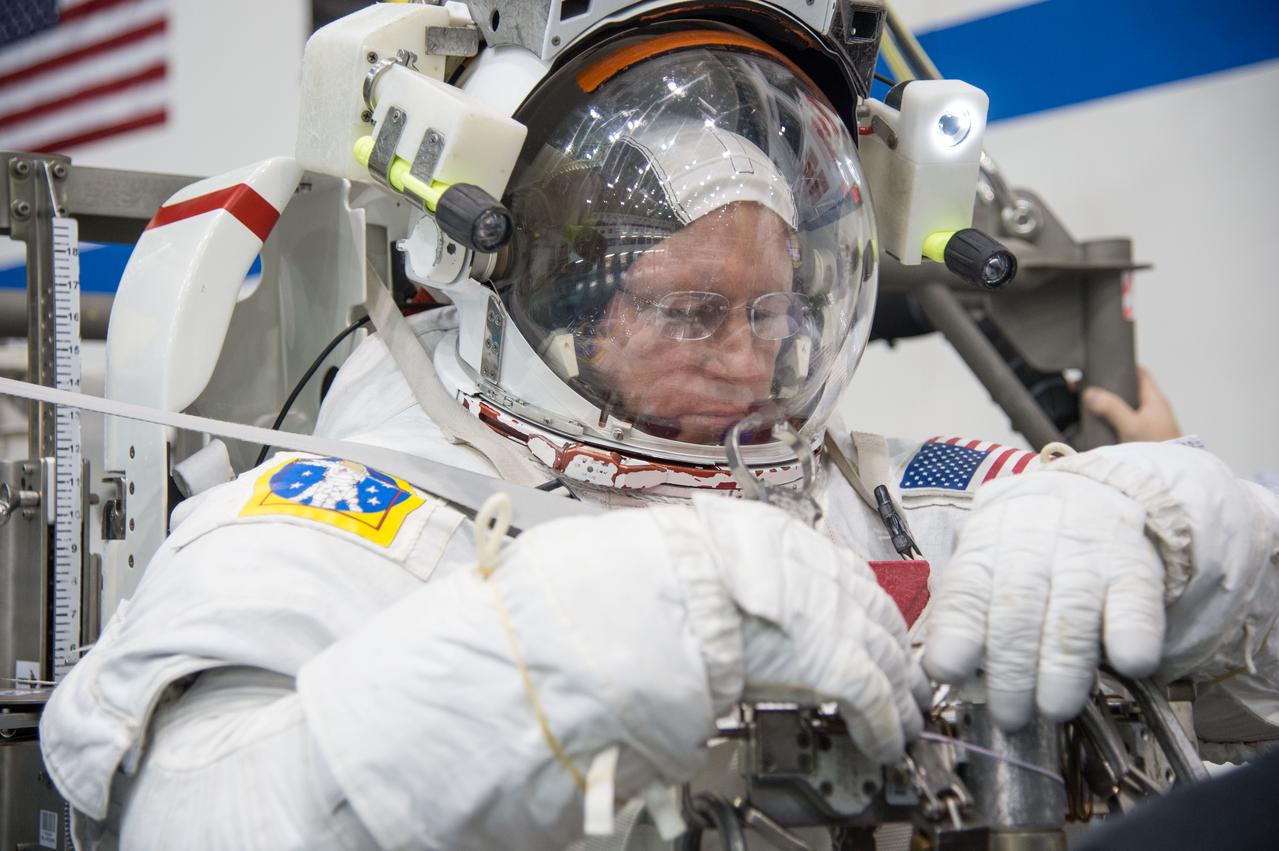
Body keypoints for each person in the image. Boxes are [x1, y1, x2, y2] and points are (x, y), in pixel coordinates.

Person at [38, 21, 1279, 851]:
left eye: (773, 313)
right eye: (691, 312)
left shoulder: (884, 490)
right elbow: (190, 803)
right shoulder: (346, 511)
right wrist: (532, 661)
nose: (747, 358)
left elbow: (1231, 619)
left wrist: (1175, 524)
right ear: (554, 308)